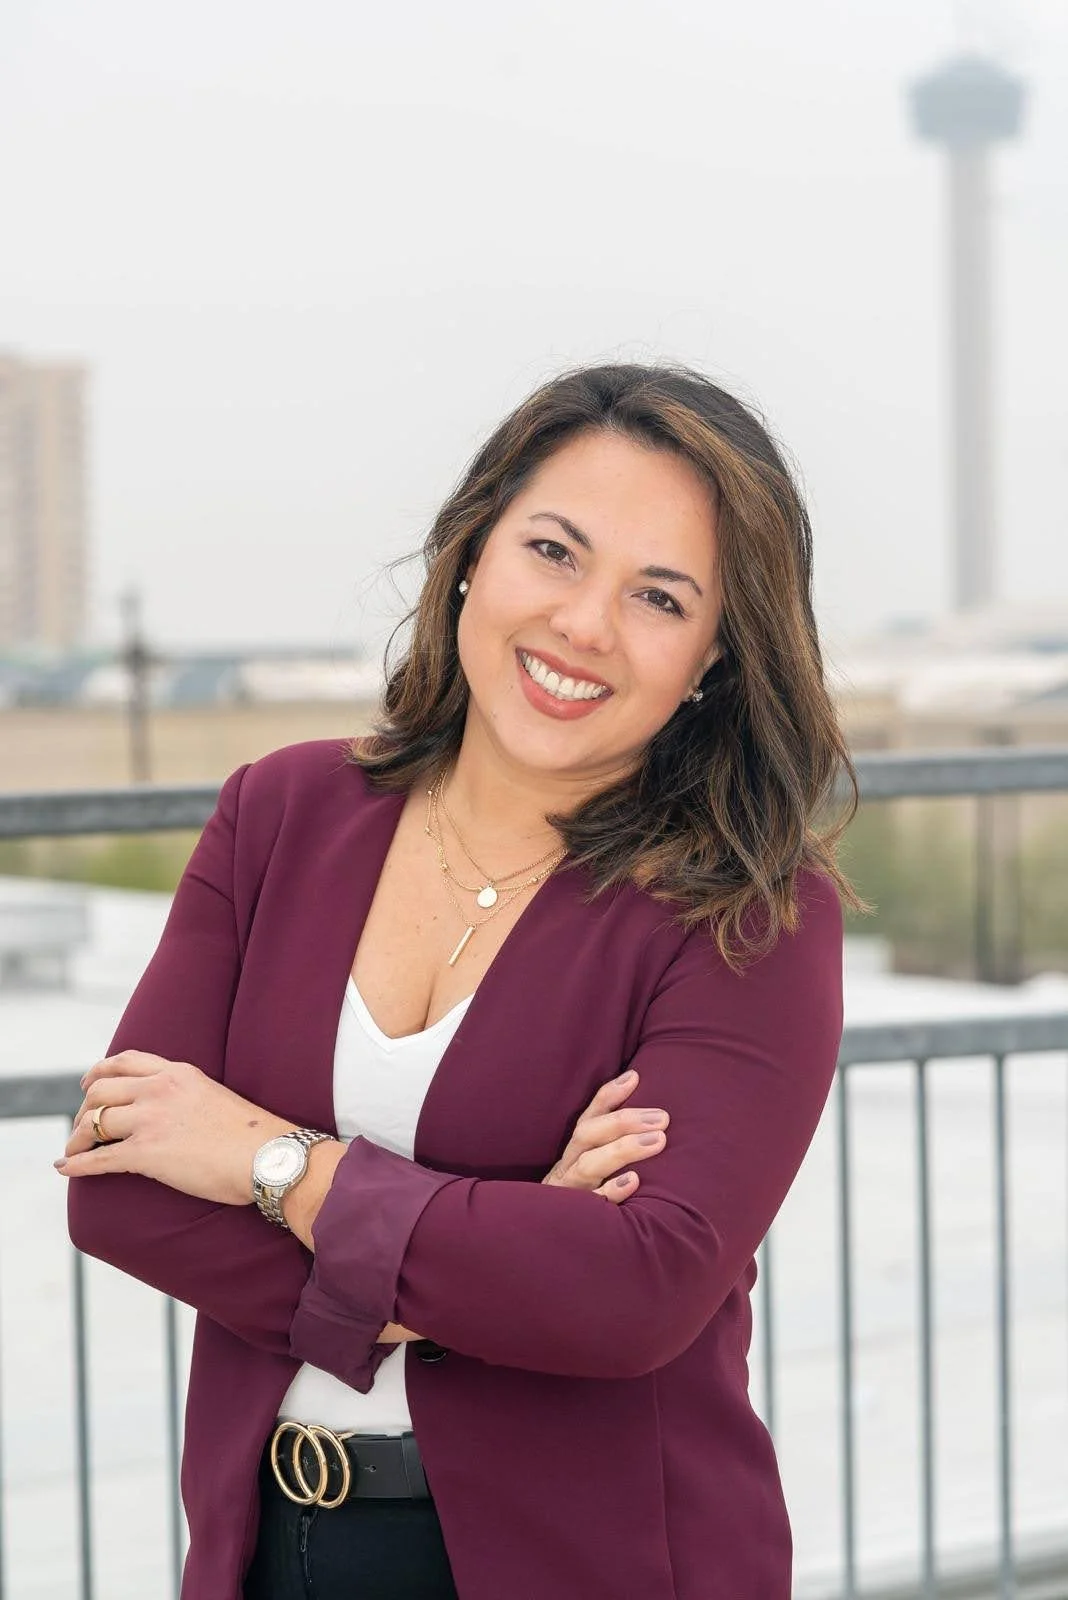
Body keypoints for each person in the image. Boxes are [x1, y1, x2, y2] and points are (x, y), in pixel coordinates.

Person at [60, 362, 861, 1600]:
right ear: (473, 552)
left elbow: (633, 1292)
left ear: (713, 655)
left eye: (659, 595)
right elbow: (121, 1193)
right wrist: (501, 1247)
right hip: (270, 1544)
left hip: (597, 1566)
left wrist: (271, 1165)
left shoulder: (748, 910)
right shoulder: (278, 812)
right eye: (555, 550)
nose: (585, 624)